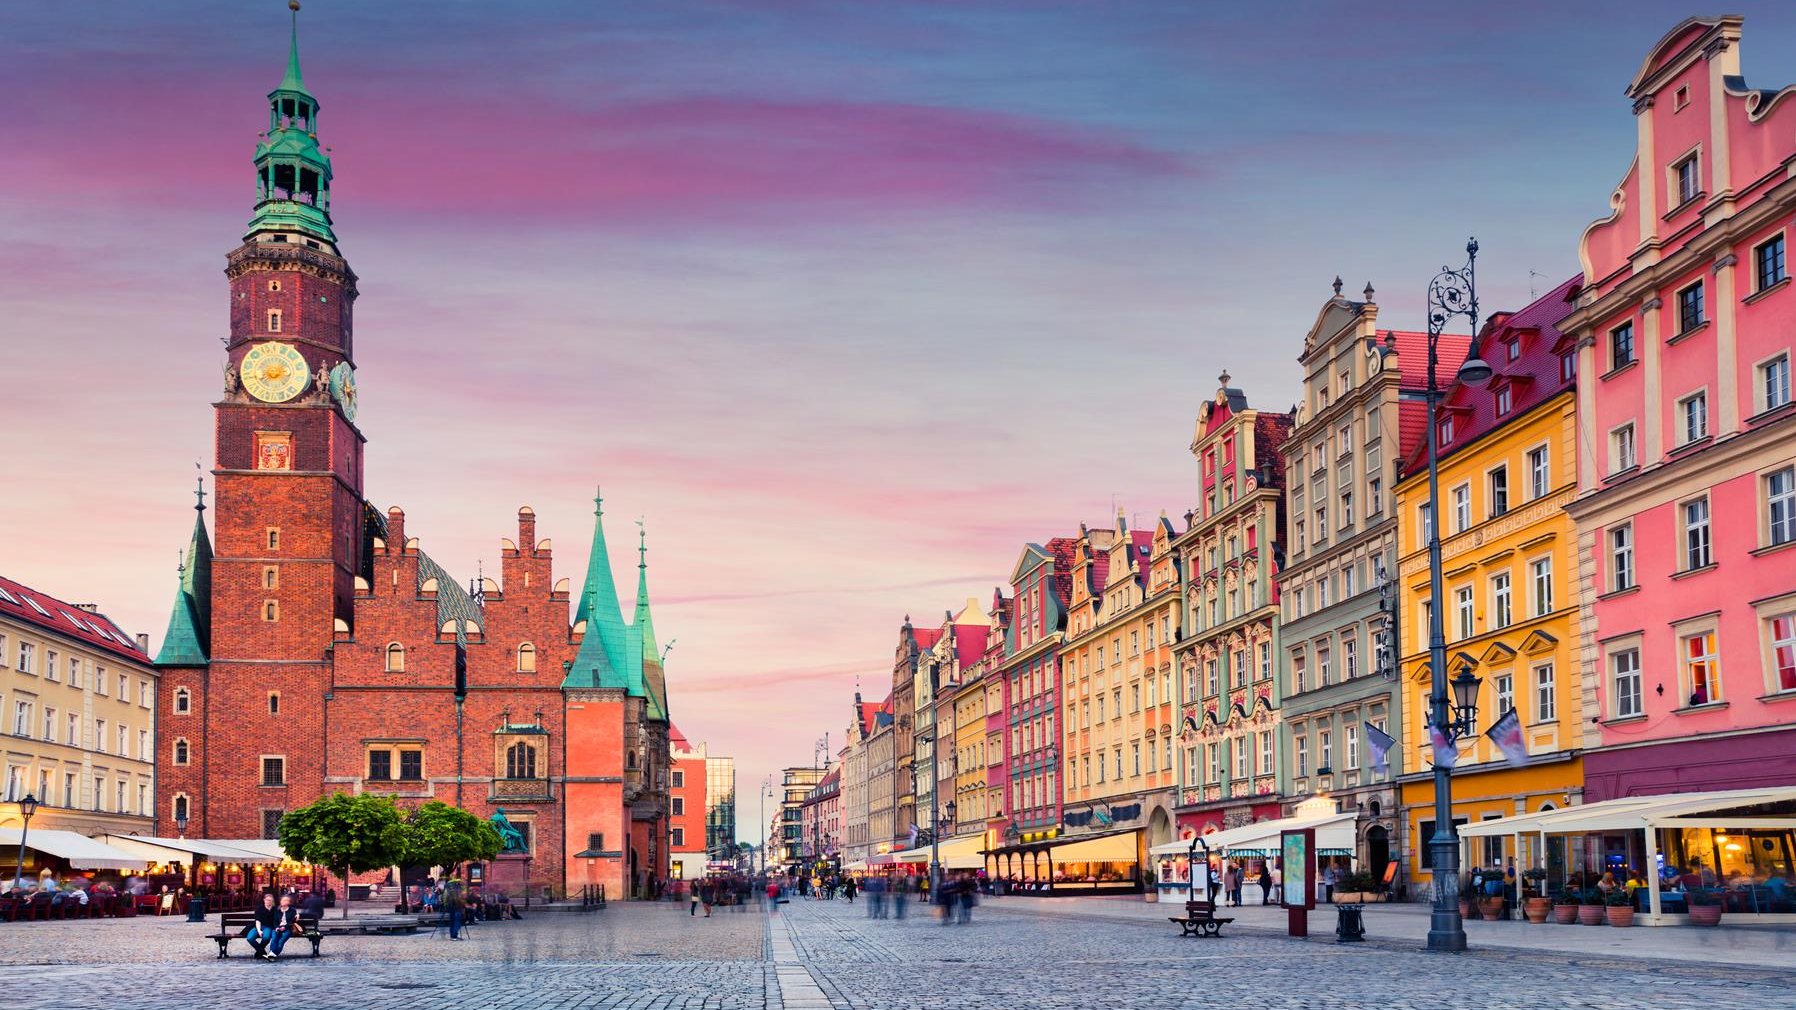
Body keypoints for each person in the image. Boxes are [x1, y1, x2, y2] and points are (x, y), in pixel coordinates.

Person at [245, 894, 284, 961]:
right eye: (267, 900)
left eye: (270, 900)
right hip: (258, 926)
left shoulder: (275, 909)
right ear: (264, 900)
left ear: (273, 901)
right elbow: (258, 921)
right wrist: (259, 930)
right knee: (250, 938)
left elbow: (281, 916)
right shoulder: (259, 909)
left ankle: (259, 952)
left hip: (268, 927)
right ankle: (262, 952)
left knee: (266, 938)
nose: (269, 902)